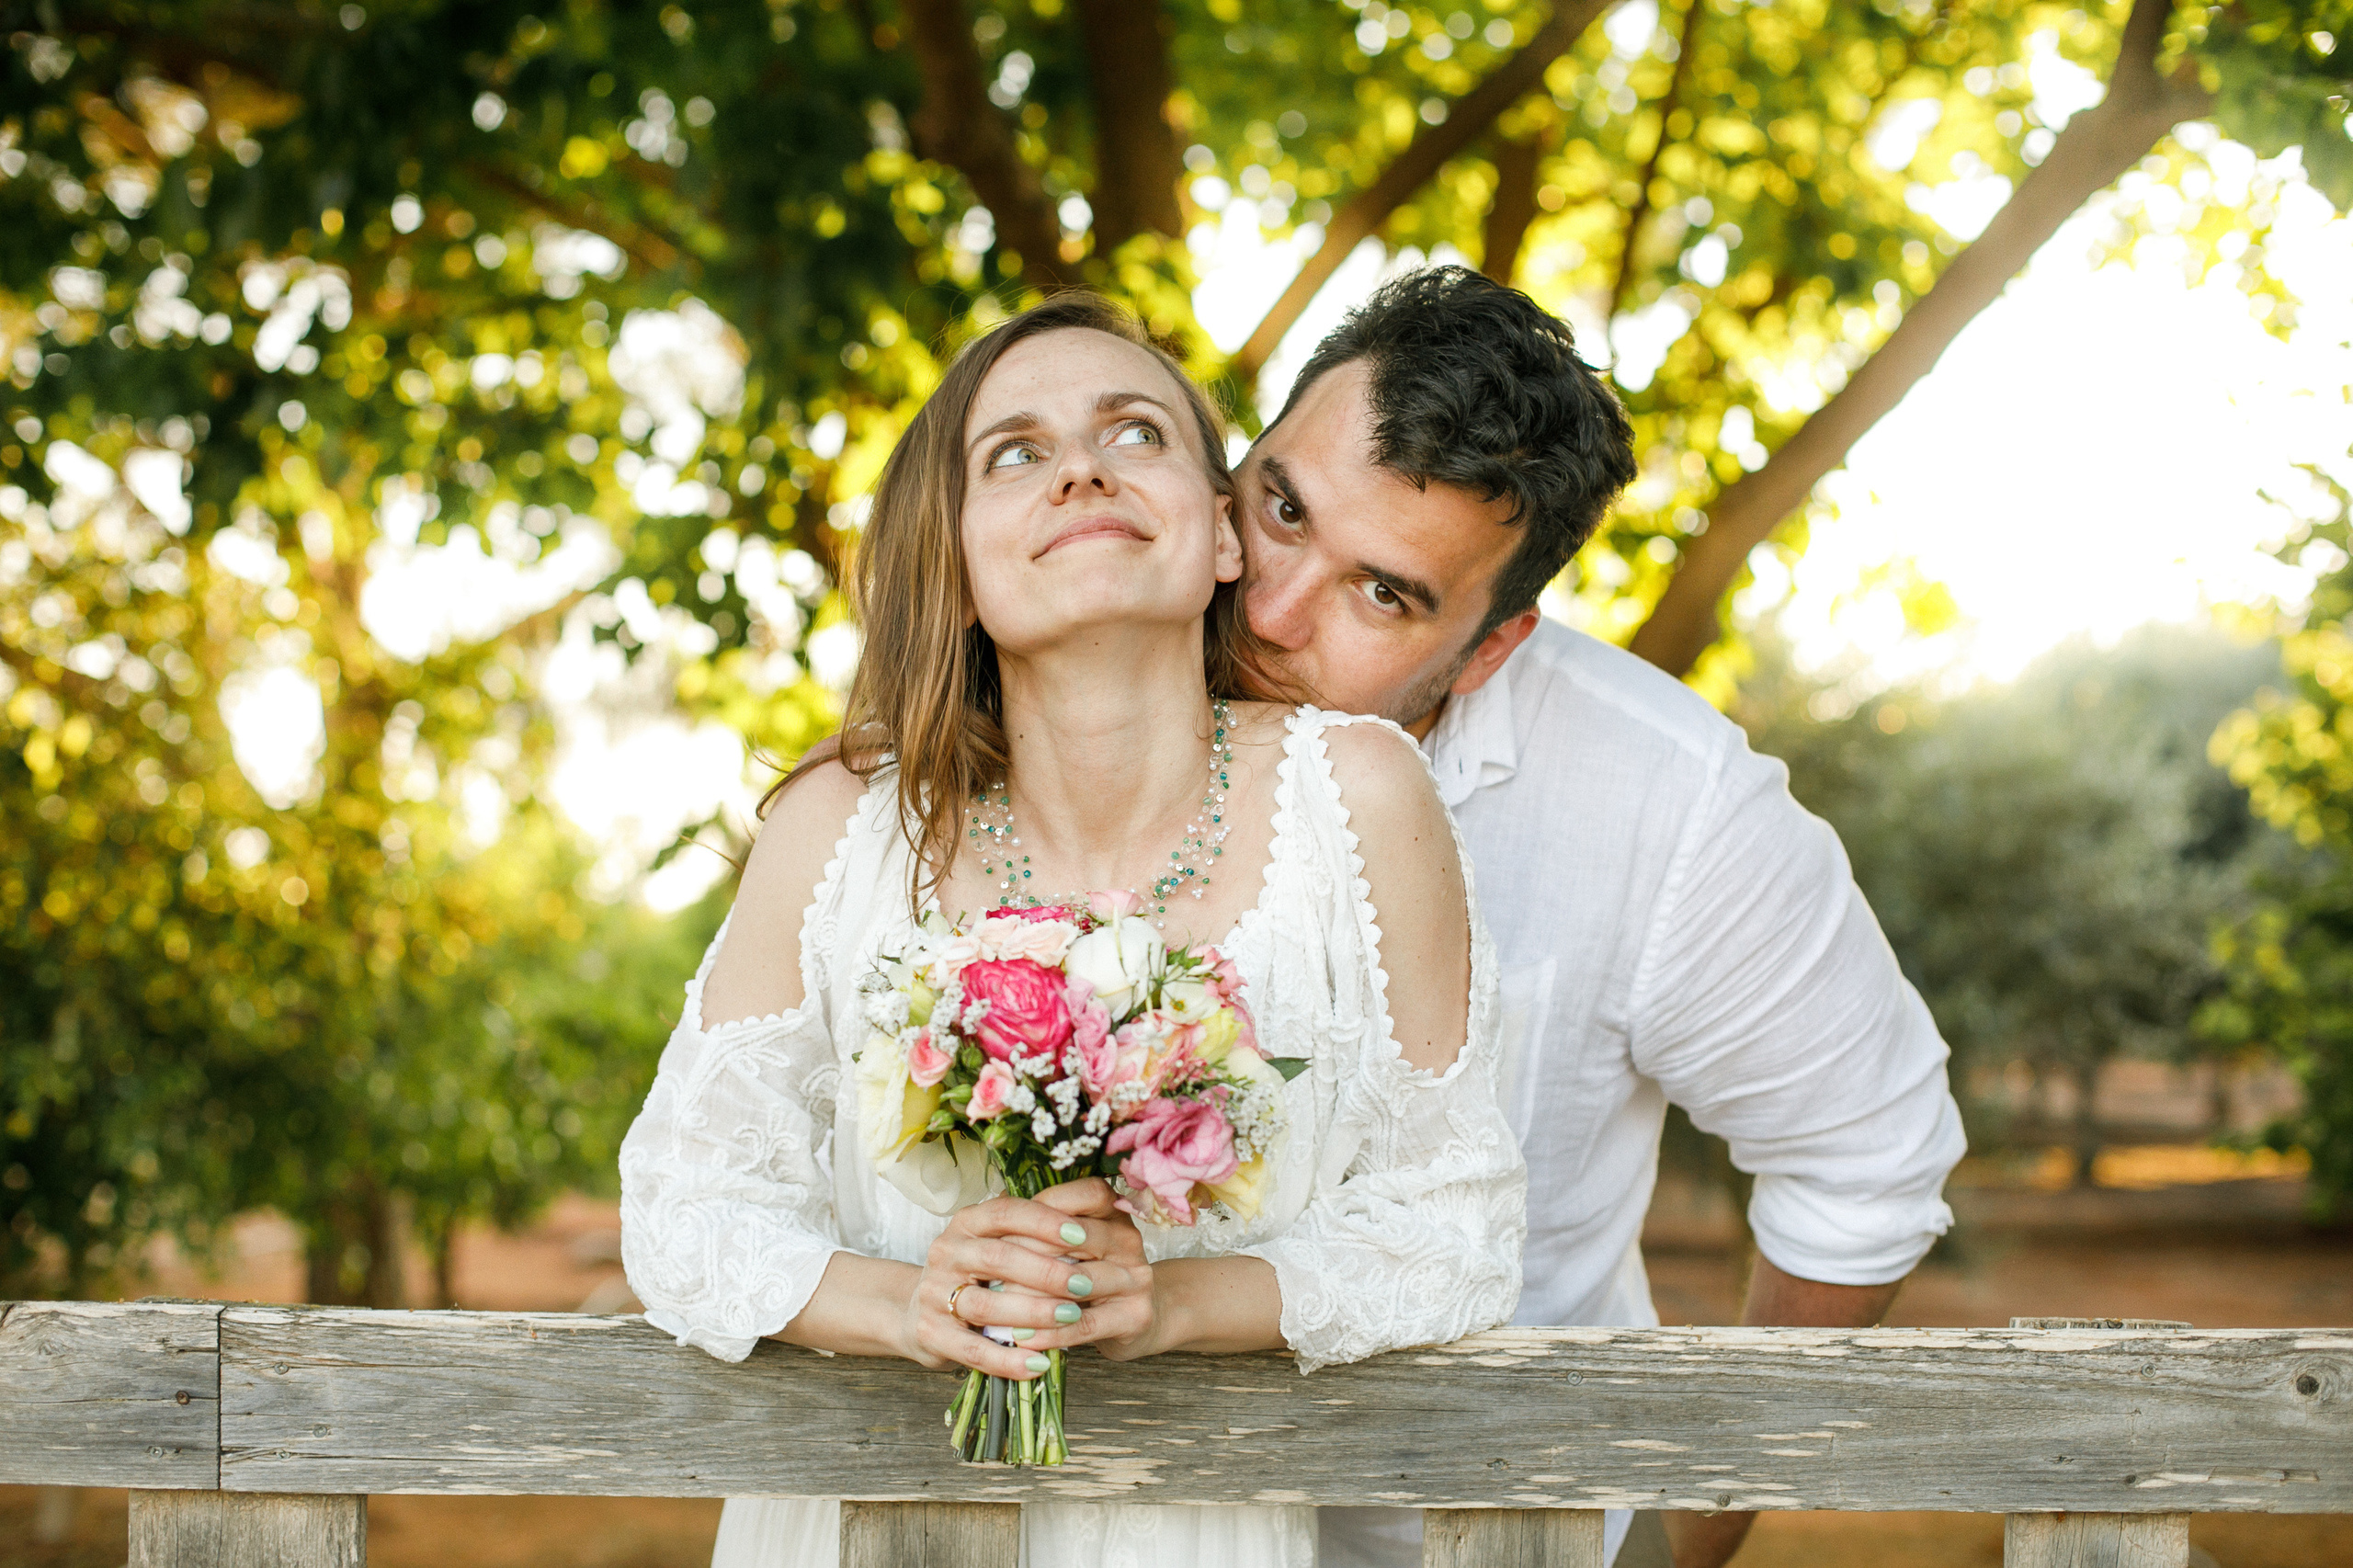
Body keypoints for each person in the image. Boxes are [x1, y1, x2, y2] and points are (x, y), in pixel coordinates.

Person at [617, 292, 1528, 1568]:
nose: (1082, 467)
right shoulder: (842, 824)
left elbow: (1456, 1224)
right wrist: (914, 1298)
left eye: (1136, 431)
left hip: (1188, 1525)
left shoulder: (1362, 797)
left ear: (1220, 536)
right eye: (1016, 453)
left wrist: (1176, 1304)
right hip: (869, 1520)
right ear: (960, 558)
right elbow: (684, 1202)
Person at [1235, 267, 1968, 1568]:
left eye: (1384, 592)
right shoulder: (1041, 677)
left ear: (1493, 642)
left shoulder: (1670, 804)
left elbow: (1869, 1157)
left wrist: (1680, 1528)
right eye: (1281, 506)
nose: (1270, 608)